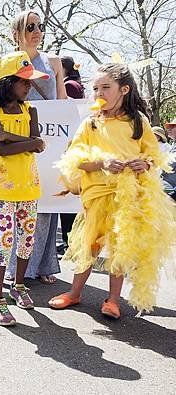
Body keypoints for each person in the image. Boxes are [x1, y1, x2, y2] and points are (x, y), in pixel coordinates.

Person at [49, 63, 176, 318]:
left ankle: (113, 300)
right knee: (90, 244)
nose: (99, 93)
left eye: (106, 87)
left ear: (124, 89)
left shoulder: (138, 122)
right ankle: (74, 293)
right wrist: (102, 163)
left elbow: (152, 154)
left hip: (129, 197)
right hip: (97, 196)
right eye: (95, 88)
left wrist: (146, 163)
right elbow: (74, 159)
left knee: (120, 246)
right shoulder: (90, 124)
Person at [0, 51, 48, 326]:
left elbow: (39, 143)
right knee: (5, 240)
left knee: (26, 240)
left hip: (29, 187)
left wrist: (9, 135)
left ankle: (18, 285)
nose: (29, 86)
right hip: (3, 188)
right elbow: (4, 151)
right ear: (7, 82)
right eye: (24, 81)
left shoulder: (30, 110)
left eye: (30, 81)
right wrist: (30, 143)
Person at [6, 10, 68, 285]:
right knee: (19, 202)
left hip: (50, 140)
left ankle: (42, 265)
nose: (36, 30)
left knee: (46, 203)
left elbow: (64, 101)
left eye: (39, 25)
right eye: (29, 26)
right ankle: (16, 267)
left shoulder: (53, 62)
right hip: (19, 139)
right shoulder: (9, 63)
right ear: (16, 33)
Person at [57, 56, 85, 254]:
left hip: (69, 143)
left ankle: (70, 242)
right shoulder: (78, 84)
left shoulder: (69, 86)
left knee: (68, 195)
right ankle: (71, 241)